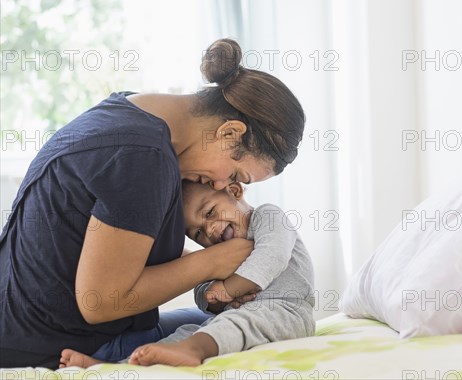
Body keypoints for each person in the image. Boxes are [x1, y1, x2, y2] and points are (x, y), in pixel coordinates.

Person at [0, 38, 306, 368]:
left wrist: (222, 274)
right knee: (241, 334)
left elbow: (115, 253)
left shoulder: (128, 111)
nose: (222, 186)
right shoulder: (144, 158)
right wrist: (212, 263)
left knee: (216, 324)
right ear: (229, 133)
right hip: (50, 346)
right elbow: (101, 301)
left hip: (17, 327)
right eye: (235, 175)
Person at [59, 180, 315, 368]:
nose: (210, 230)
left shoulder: (266, 216)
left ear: (235, 191)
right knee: (188, 331)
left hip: (287, 310)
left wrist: (229, 288)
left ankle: (192, 351)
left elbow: (273, 255)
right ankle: (117, 368)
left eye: (210, 212)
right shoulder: (220, 253)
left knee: (236, 323)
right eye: (197, 234)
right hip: (240, 314)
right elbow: (204, 292)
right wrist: (216, 298)